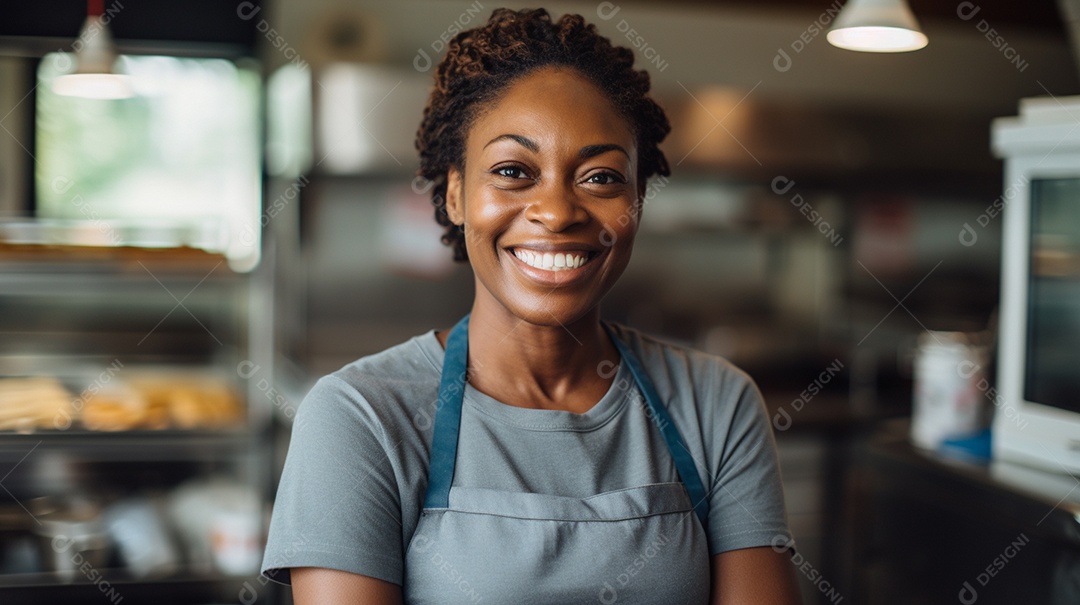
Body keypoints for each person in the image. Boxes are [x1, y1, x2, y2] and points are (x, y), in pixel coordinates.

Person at [262, 8, 802, 604]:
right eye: (513, 171)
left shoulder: (718, 404)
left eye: (600, 178)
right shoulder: (359, 417)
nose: (558, 211)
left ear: (637, 202)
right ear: (457, 194)